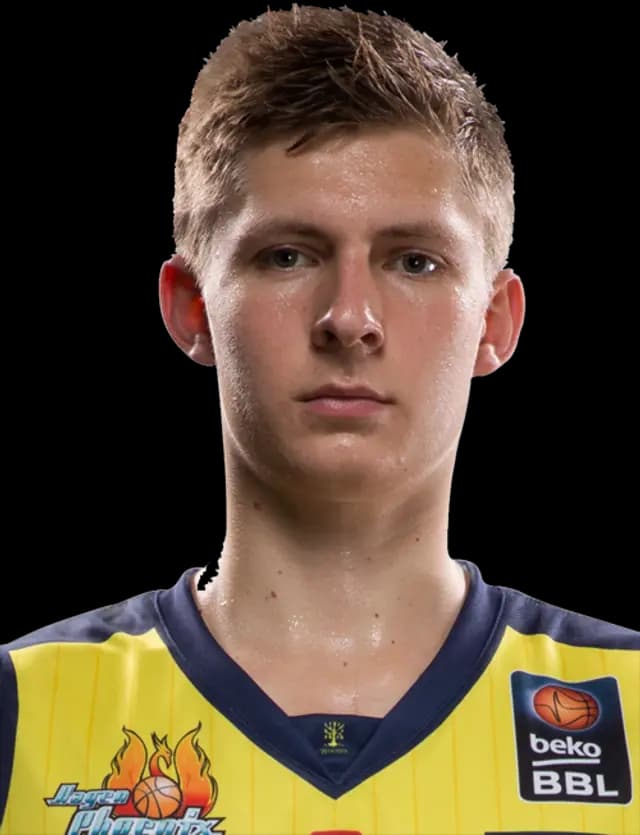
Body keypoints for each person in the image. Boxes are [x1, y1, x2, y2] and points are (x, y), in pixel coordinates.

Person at [1, 5, 638, 834]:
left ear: (494, 322)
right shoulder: (22, 709)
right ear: (192, 307)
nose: (349, 318)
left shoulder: (630, 701)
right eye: (287, 255)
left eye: (414, 261)